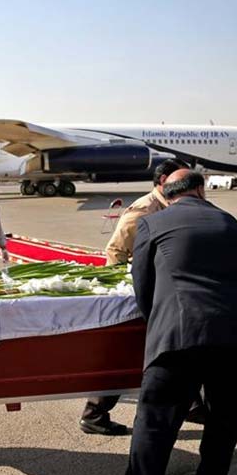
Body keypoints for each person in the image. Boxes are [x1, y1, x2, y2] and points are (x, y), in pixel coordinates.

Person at [125, 169, 237, 475]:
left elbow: (142, 284)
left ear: (167, 195)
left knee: (155, 422)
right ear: (200, 189)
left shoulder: (153, 223)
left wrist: (160, 323)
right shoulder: (229, 221)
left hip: (181, 335)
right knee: (225, 418)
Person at [81, 159, 186, 437]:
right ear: (163, 181)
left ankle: (192, 405)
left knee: (176, 350)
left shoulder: (171, 206)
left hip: (166, 291)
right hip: (145, 294)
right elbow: (115, 250)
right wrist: (126, 293)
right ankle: (94, 413)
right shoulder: (144, 209)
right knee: (131, 355)